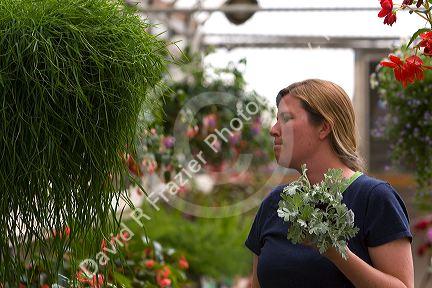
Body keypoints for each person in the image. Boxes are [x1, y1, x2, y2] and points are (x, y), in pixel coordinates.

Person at [245, 79, 414, 288]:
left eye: (286, 119)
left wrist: (337, 254)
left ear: (324, 127)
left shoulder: (374, 198)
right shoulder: (274, 204)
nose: (273, 129)